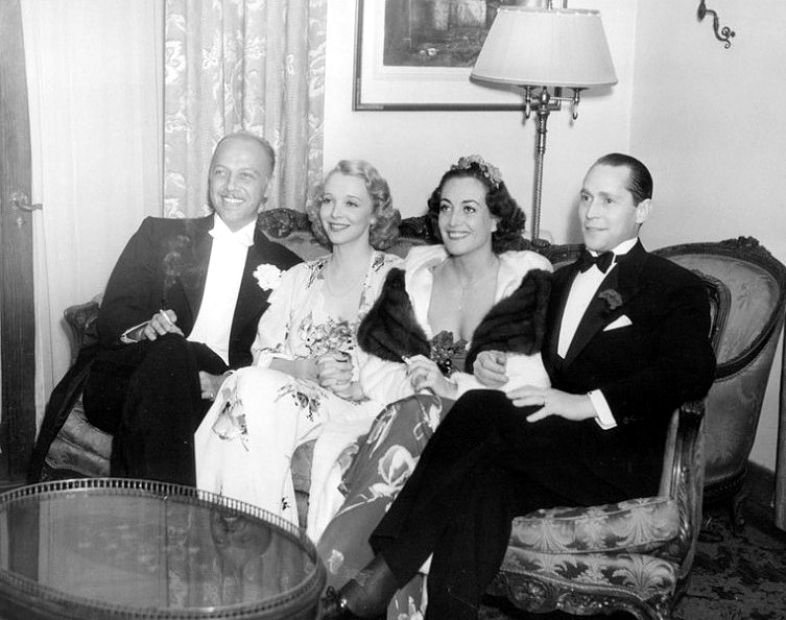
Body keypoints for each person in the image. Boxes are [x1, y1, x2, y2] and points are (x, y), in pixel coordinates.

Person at [321, 153, 717, 619]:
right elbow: (526, 354)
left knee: (478, 413)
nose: (591, 211)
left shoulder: (673, 286)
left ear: (642, 211)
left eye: (608, 200)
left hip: (619, 456)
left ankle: (381, 574)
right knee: (482, 480)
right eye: (587, 197)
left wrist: (586, 403)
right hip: (551, 448)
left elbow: (690, 371)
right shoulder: (559, 280)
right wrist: (491, 360)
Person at [316, 154, 553, 601]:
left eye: (469, 208)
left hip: (482, 434)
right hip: (407, 414)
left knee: (423, 419)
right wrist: (419, 385)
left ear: (497, 217)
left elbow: (536, 380)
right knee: (417, 414)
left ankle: (339, 581)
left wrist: (455, 388)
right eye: (444, 207)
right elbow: (374, 362)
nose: (453, 220)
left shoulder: (526, 280)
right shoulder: (413, 275)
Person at [194, 160, 403, 535]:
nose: (336, 213)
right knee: (247, 383)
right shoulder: (298, 277)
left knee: (244, 391)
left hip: (363, 404)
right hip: (295, 399)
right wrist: (303, 370)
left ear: (376, 214)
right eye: (328, 200)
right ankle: (259, 536)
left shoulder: (399, 277)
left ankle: (246, 538)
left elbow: (412, 363)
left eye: (352, 203)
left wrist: (358, 380)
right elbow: (263, 356)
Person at [81, 132, 301, 486]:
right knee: (171, 351)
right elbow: (113, 316)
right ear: (209, 177)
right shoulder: (158, 235)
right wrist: (144, 328)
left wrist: (225, 382)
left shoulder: (289, 269)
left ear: (267, 187)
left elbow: (282, 355)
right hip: (128, 377)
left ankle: (153, 517)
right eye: (220, 172)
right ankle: (175, 521)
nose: (230, 185)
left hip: (214, 392)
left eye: (246, 175)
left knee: (170, 383)